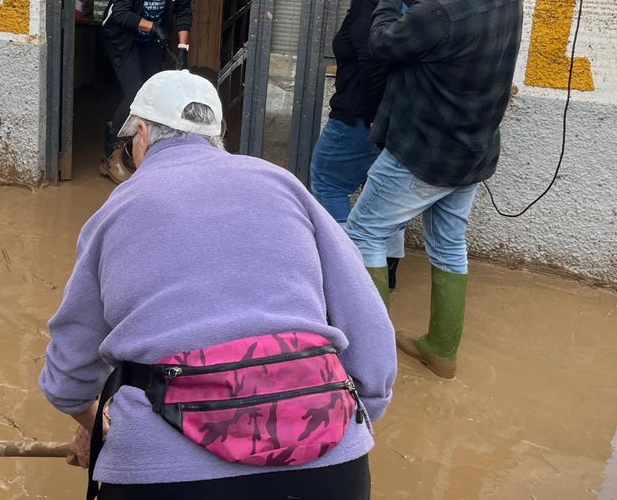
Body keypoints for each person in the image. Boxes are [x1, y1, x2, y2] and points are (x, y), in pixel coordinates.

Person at [40, 69, 396, 499]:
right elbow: (372, 340)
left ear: (142, 136)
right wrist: (345, 428)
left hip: (165, 476)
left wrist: (96, 424)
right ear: (219, 134)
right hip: (332, 467)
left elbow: (69, 375)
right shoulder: (284, 184)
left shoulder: (118, 209)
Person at [345, 0, 523, 379]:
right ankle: (441, 350)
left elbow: (383, 43)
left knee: (363, 233)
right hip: (471, 152)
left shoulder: (443, 11)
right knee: (448, 244)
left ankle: (369, 358)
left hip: (421, 153)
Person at [308, 0, 424, 292]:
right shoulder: (404, 3)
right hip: (390, 123)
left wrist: (374, 120)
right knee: (383, 201)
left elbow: (374, 65)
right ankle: (384, 273)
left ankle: (344, 274)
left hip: (357, 119)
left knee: (327, 182)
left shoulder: (366, 3)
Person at [99, 0, 193, 184]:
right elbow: (120, 13)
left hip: (153, 40)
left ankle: (134, 151)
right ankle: (110, 157)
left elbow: (185, 11)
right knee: (134, 93)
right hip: (123, 39)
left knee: (151, 96)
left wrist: (183, 47)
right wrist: (153, 27)